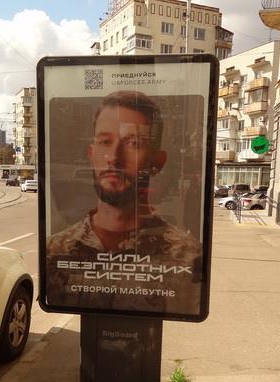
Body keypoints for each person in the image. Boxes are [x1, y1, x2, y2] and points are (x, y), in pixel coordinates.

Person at [45, 91, 203, 316]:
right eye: (105, 142)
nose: (114, 157)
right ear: (91, 153)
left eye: (134, 143)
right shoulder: (54, 251)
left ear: (158, 162)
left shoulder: (188, 256)